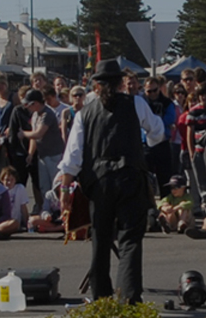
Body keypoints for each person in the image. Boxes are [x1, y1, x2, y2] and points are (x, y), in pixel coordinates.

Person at [60, 59, 165, 303]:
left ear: (95, 86)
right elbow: (157, 132)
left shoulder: (84, 113)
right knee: (130, 240)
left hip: (99, 181)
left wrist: (65, 188)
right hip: (130, 176)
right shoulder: (136, 103)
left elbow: (72, 156)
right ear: (120, 83)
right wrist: (147, 141)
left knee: (101, 238)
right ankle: (128, 297)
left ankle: (102, 297)